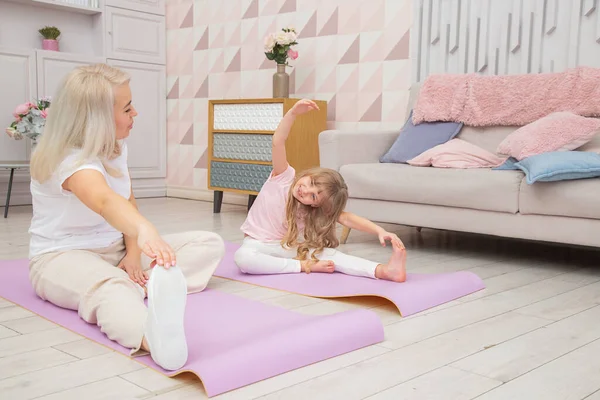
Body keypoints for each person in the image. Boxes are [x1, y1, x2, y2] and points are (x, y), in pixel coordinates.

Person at [28, 63, 225, 371]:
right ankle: (152, 336)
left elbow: (126, 200)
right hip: (61, 256)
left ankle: (138, 284)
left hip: (116, 250)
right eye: (128, 108)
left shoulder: (116, 147)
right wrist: (146, 230)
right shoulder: (66, 159)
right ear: (98, 118)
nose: (136, 114)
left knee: (207, 243)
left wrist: (134, 254)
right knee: (109, 288)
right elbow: (105, 201)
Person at [234, 99, 407, 282]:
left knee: (329, 255)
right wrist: (292, 113)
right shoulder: (283, 178)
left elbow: (346, 218)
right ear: (310, 173)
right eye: (311, 182)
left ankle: (384, 271)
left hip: (285, 247)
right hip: (256, 245)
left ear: (316, 204)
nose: (305, 190)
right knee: (243, 258)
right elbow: (278, 141)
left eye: (313, 195)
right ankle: (303, 267)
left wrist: (379, 231)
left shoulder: (310, 209)